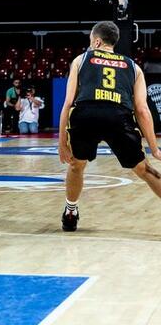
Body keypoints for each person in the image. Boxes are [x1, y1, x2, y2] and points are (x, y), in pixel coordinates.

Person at [58, 21, 161, 232]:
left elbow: (68, 103)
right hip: (119, 117)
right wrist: (154, 147)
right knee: (145, 170)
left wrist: (61, 143)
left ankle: (71, 211)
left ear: (97, 41)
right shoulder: (134, 67)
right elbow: (142, 110)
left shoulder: (81, 59)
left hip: (86, 115)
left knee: (76, 165)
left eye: (90, 41)